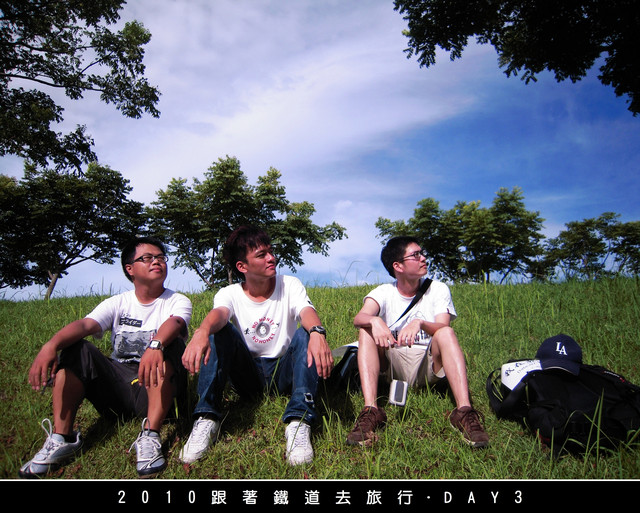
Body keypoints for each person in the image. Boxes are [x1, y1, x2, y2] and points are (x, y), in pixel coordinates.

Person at [19, 237, 192, 478]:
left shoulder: (177, 300)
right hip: (118, 389)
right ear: (130, 269)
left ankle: (151, 434)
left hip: (158, 388)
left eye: (161, 257)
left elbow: (176, 322)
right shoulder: (118, 303)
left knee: (171, 344)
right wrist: (51, 345)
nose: (157, 262)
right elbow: (85, 325)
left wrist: (155, 344)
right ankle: (62, 438)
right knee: (77, 348)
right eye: (147, 258)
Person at [180, 225, 333, 466]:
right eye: (261, 255)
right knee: (219, 331)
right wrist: (202, 331)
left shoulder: (289, 284)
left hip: (284, 371)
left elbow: (306, 311)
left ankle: (299, 421)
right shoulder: (229, 293)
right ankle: (206, 418)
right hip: (247, 374)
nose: (271, 258)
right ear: (242, 266)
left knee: (306, 333)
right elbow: (220, 314)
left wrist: (317, 332)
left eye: (271, 251)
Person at [346, 236, 489, 448]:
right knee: (366, 331)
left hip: (427, 364)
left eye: (422, 253)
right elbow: (359, 318)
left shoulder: (437, 289)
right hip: (392, 364)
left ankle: (464, 411)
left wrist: (420, 323)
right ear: (398, 266)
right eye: (416, 255)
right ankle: (370, 410)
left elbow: (443, 325)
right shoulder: (383, 292)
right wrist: (375, 321)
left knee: (446, 333)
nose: (423, 258)